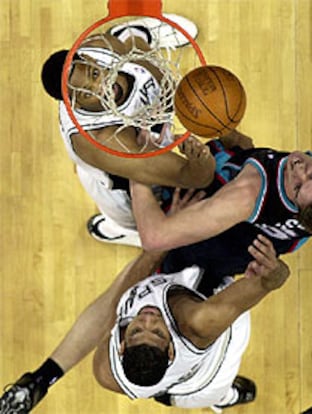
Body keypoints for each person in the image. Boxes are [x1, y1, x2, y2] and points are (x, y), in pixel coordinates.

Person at [130, 22, 312, 276]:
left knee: (129, 148)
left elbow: (155, 238)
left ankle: (133, 43)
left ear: (296, 207)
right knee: (239, 144)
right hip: (239, 238)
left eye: (297, 188)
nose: (299, 171)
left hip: (201, 242)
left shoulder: (247, 194)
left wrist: (138, 166)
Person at [0, 216, 290, 412]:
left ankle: (130, 228)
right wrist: (274, 271)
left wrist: (42, 379)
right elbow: (270, 282)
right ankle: (226, 399)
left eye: (138, 330)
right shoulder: (199, 322)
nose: (148, 319)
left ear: (122, 345)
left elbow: (116, 301)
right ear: (172, 348)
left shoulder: (106, 371)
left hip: (166, 360)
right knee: (213, 392)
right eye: (158, 331)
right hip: (205, 377)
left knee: (165, 242)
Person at [41, 14, 216, 247]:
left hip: (144, 130)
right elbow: (195, 178)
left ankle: (134, 32)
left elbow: (147, 62)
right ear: (73, 103)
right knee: (135, 218)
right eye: (86, 93)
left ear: (90, 59)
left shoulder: (100, 47)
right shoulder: (105, 141)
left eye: (94, 74)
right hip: (116, 181)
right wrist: (201, 161)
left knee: (133, 46)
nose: (101, 88)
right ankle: (120, 228)